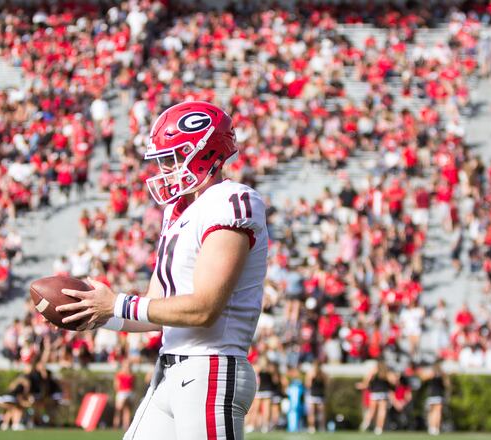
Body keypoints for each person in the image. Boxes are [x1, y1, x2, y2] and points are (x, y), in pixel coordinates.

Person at [58, 101, 269, 440]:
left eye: (173, 157)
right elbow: (156, 308)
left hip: (210, 369)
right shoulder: (179, 211)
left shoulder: (231, 201)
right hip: (170, 371)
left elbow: (204, 308)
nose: (165, 168)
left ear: (205, 153)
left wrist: (116, 304)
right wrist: (96, 313)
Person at [357, 360, 393, 435]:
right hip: (383, 393)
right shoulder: (386, 372)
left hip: (374, 393)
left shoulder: (374, 372)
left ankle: (365, 424)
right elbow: (392, 382)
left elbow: (366, 382)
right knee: (382, 411)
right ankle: (379, 428)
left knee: (371, 410)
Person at [419, 360, 449, 436]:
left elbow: (422, 378)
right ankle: (436, 428)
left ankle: (432, 428)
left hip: (431, 395)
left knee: (432, 412)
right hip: (438, 395)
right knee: (437, 412)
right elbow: (447, 385)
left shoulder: (432, 374)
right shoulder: (441, 375)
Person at [305, 360, 327, 433]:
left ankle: (318, 427)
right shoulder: (312, 374)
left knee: (319, 413)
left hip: (318, 395)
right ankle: (314, 427)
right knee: (314, 413)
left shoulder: (322, 374)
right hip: (315, 395)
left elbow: (326, 384)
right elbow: (308, 385)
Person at [114, 359, 135, 430]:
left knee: (127, 410)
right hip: (122, 392)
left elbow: (133, 385)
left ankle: (126, 425)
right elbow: (116, 385)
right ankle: (116, 424)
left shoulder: (132, 375)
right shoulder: (119, 374)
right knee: (119, 409)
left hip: (129, 393)